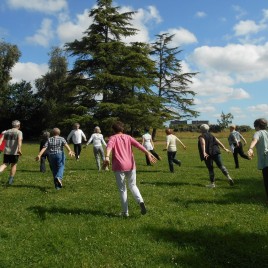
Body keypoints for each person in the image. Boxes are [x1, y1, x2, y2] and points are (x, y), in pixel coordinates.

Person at [103, 121, 157, 217]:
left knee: (122, 189)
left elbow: (109, 147)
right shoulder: (128, 137)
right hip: (131, 165)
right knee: (133, 185)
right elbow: (139, 145)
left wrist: (107, 157)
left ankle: (125, 212)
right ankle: (140, 201)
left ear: (113, 130)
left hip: (119, 166)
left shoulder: (113, 138)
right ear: (123, 129)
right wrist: (148, 153)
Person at [198, 124, 234, 188]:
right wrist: (224, 148)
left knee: (210, 169)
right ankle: (229, 177)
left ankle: (212, 184)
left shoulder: (201, 136)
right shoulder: (212, 135)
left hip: (207, 154)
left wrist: (204, 152)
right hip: (216, 152)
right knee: (221, 166)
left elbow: (203, 144)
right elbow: (218, 142)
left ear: (201, 130)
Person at [247, 118, 268, 199]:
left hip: (266, 160)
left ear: (258, 126)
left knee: (267, 180)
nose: (255, 127)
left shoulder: (258, 133)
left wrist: (250, 148)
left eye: (255, 126)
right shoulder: (267, 132)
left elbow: (255, 140)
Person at [0, 120, 23, 185]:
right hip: (14, 152)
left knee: (5, 164)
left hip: (6, 151)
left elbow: (1, 140)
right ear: (18, 126)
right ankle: (10, 180)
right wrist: (19, 149)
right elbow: (19, 141)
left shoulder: (6, 132)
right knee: (14, 165)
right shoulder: (19, 132)